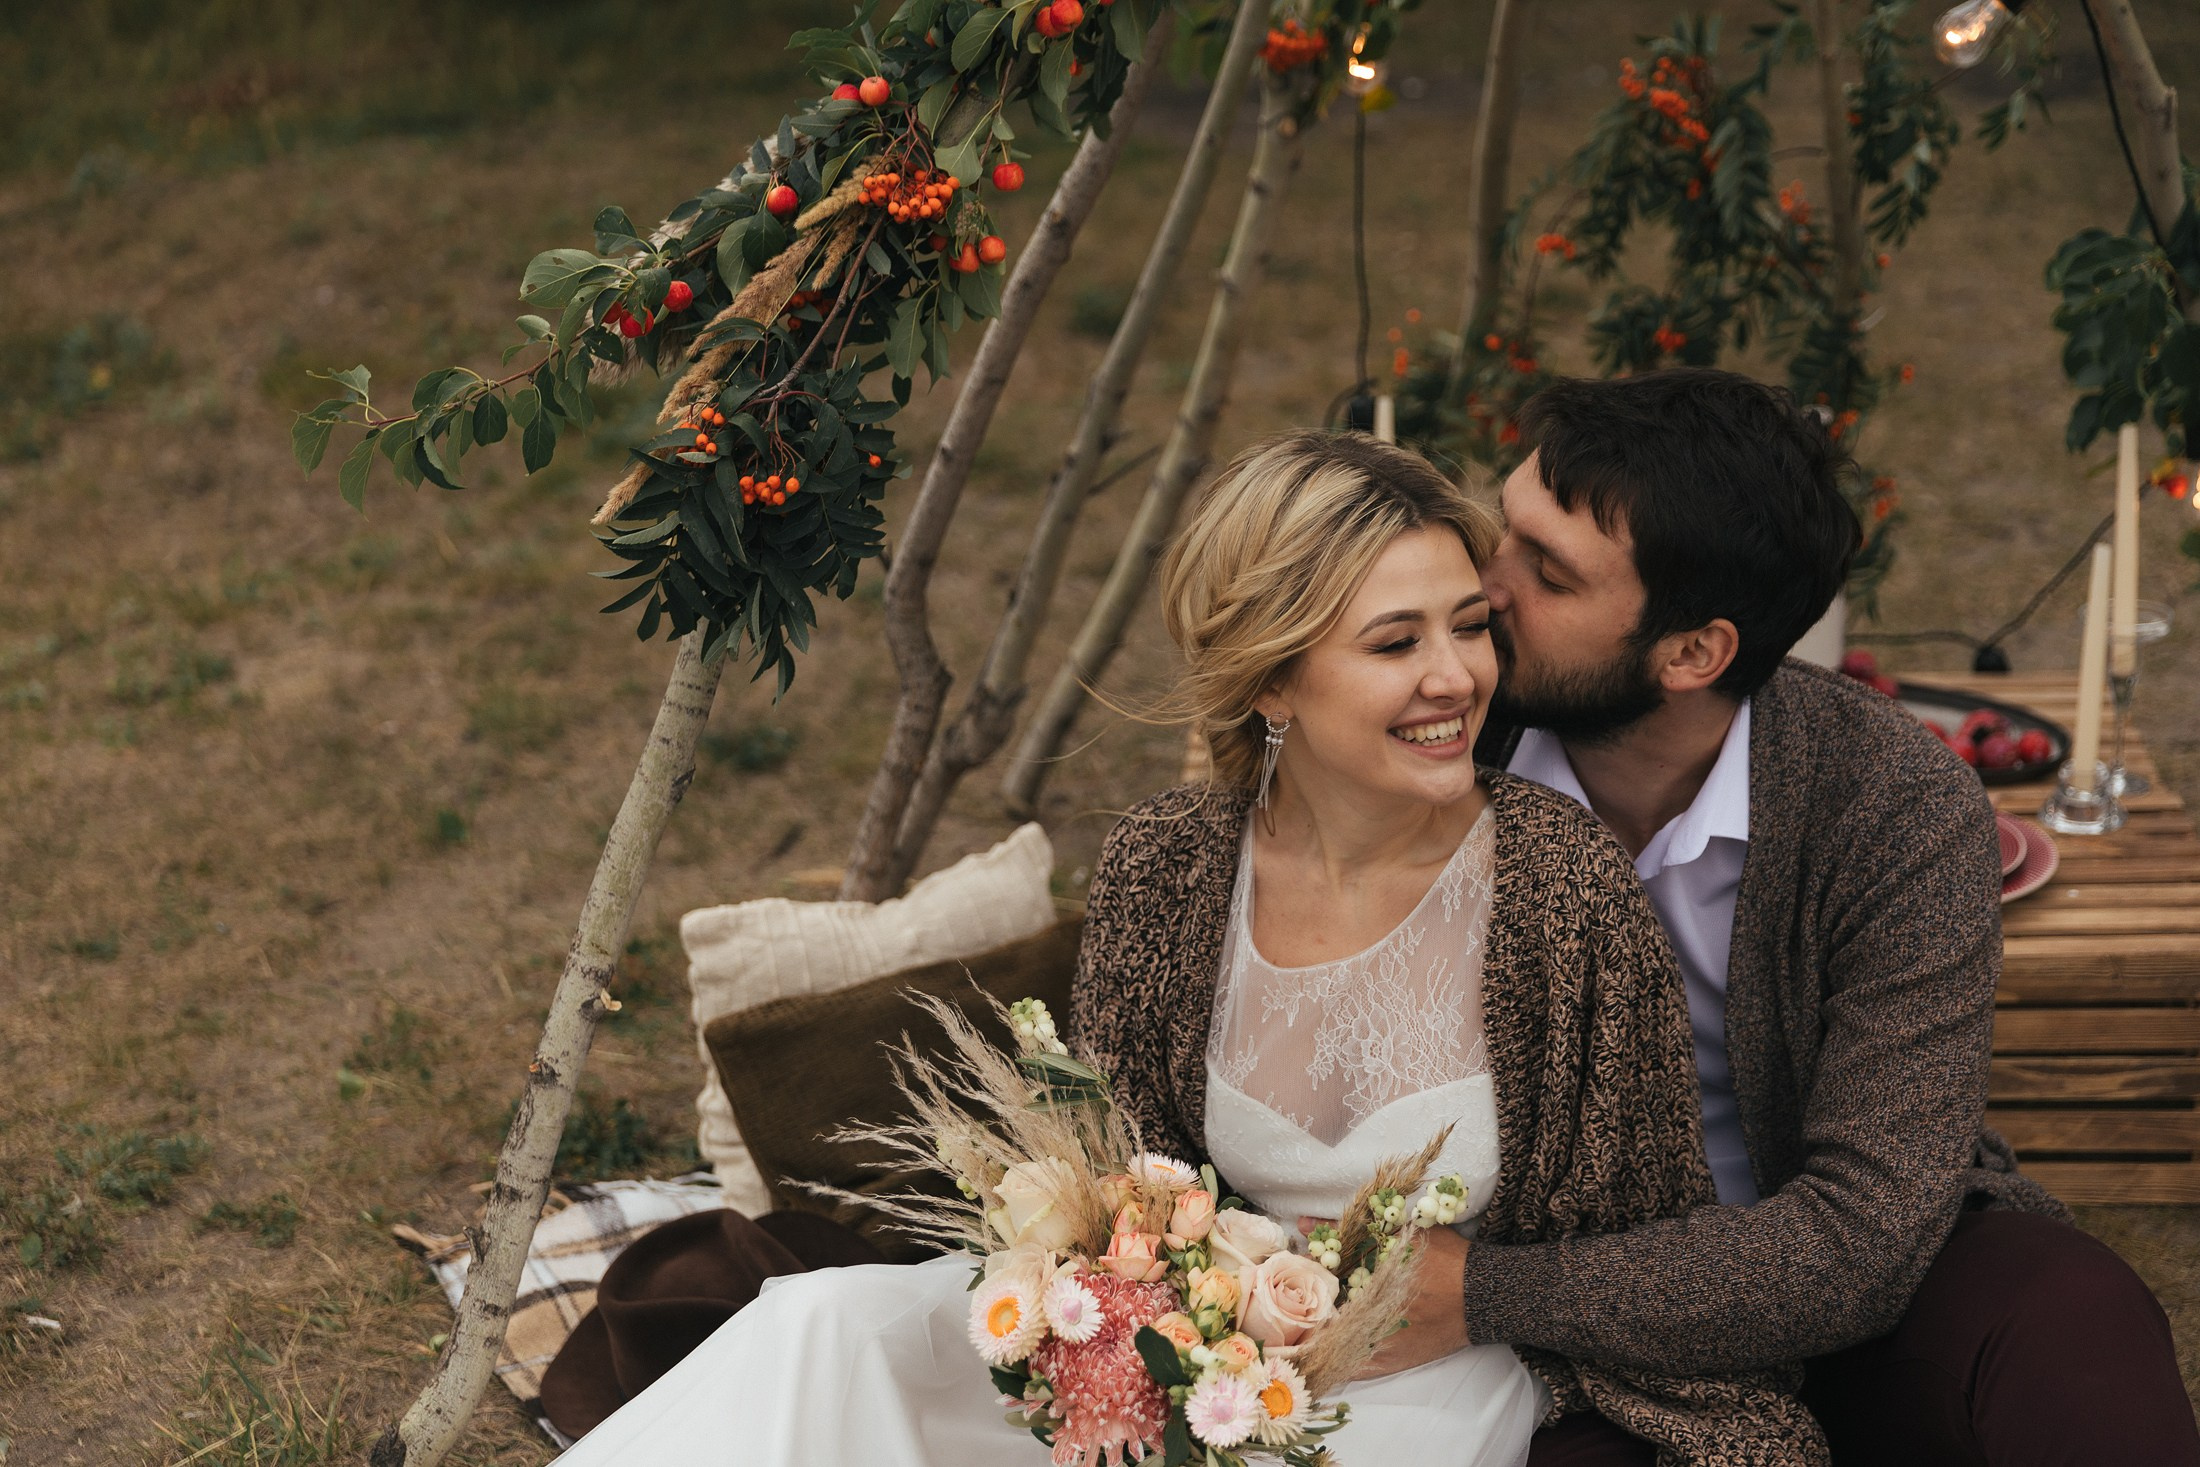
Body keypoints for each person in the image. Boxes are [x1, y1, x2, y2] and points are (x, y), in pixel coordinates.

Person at [550, 431, 1822, 1466]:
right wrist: (1133, 1330)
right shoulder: (1168, 868)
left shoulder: (1560, 888)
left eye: (1468, 626)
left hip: (1419, 1389)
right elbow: (1124, 1189)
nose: (1458, 678)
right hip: (1183, 1353)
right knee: (822, 1329)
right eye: (1394, 644)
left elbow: (1647, 1242)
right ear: (1271, 683)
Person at [1462, 367, 2200, 1466]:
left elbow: (1864, 1235)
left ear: (1692, 654)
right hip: (1569, 1336)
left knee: (2070, 1321)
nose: (1483, 589)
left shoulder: (1889, 802)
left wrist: (1478, 1290)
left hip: (1839, 1281)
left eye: (1547, 574)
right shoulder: (1443, 760)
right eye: (1502, 535)